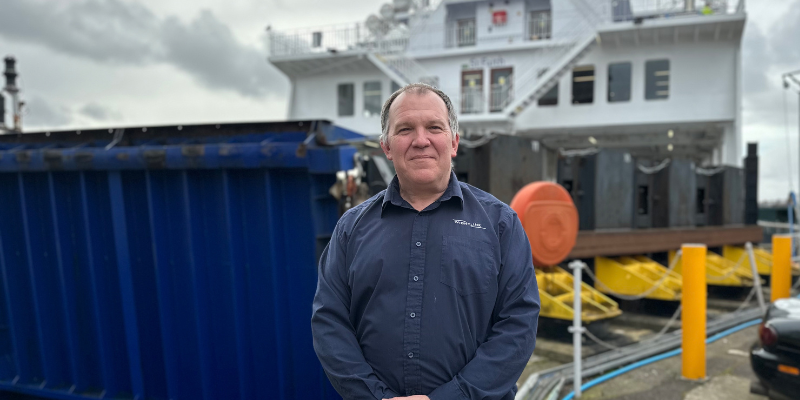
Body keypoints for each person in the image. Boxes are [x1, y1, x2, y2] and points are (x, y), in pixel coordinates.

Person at [311, 83, 541, 400]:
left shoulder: (501, 224)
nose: (421, 141)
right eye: (405, 129)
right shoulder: (351, 228)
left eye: (434, 127)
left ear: (454, 141)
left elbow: (519, 324)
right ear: (387, 146)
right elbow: (330, 322)